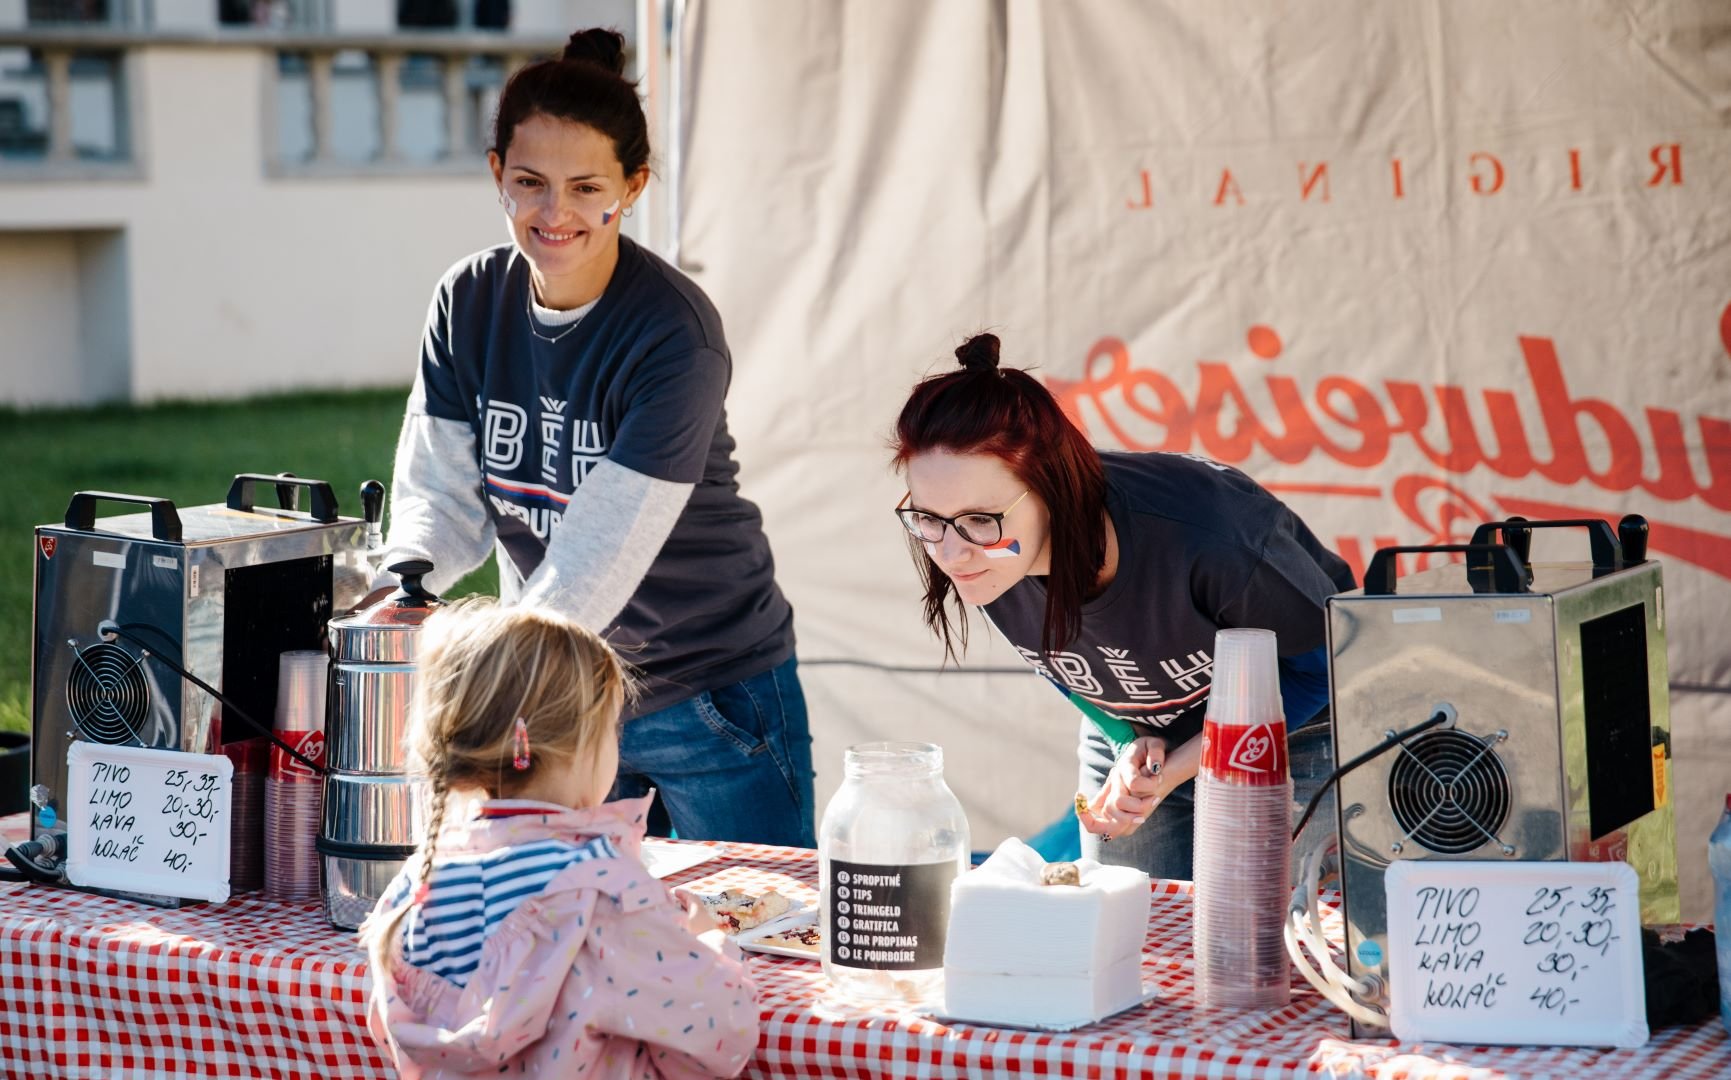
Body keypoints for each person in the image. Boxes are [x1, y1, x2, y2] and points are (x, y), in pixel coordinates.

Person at [372, 27, 812, 847]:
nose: (555, 213)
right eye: (530, 182)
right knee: (562, 939)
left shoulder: (673, 333)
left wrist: (489, 678)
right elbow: (438, 496)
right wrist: (407, 586)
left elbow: (595, 557)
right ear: (496, 172)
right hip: (556, 692)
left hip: (706, 694)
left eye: (585, 187)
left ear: (632, 186)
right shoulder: (466, 300)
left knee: (759, 935)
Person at [889, 333, 1355, 880]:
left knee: (1259, 928)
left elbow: (1327, 669)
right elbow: (1073, 671)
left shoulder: (1211, 535)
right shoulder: (989, 555)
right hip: (1141, 728)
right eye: (927, 519)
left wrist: (1176, 765)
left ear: (1053, 489)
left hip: (1293, 726)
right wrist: (1127, 738)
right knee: (1129, 926)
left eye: (977, 521)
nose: (949, 552)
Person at [361, 600, 760, 1078]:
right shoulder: (602, 889)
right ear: (579, 742)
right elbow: (720, 1037)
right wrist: (708, 943)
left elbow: (394, 1033)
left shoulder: (412, 886)